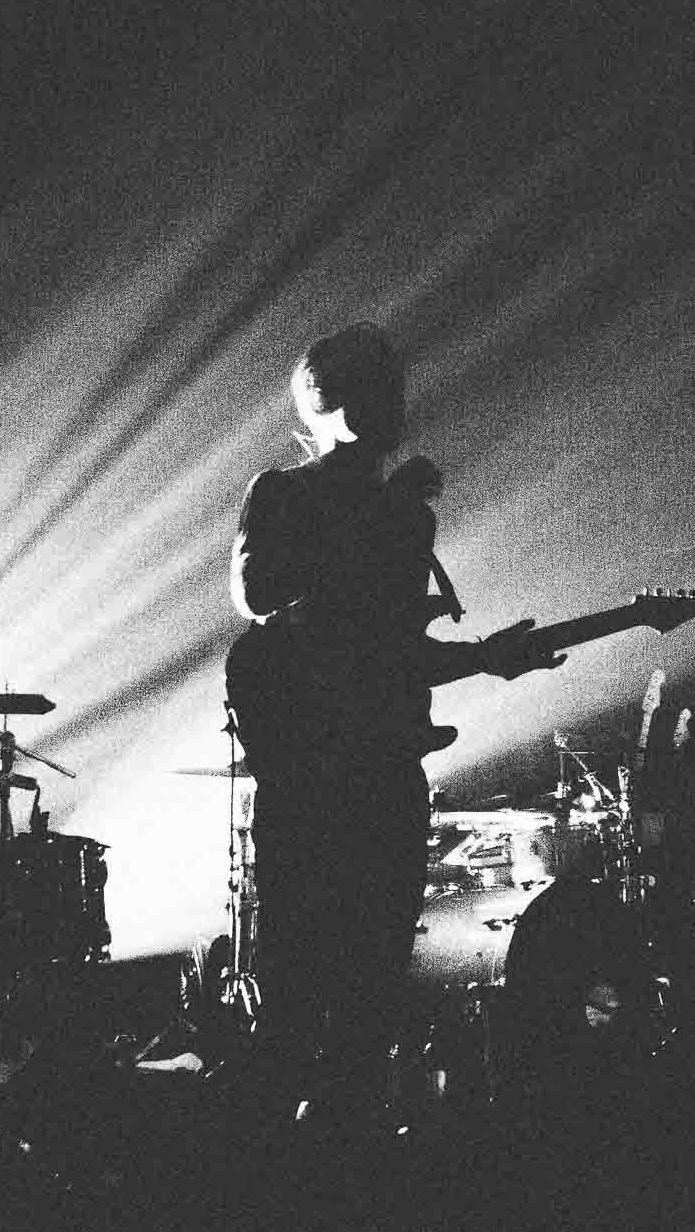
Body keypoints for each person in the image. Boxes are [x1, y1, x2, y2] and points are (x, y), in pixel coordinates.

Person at [225, 324, 559, 1134]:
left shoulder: (408, 520)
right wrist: (372, 513)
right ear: (322, 401)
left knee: (371, 1000)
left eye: (392, 388)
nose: (392, 405)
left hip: (383, 776)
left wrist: (483, 657)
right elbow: (258, 597)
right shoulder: (285, 494)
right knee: (295, 995)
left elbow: (390, 653)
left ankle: (344, 1161)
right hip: (310, 785)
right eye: (372, 387)